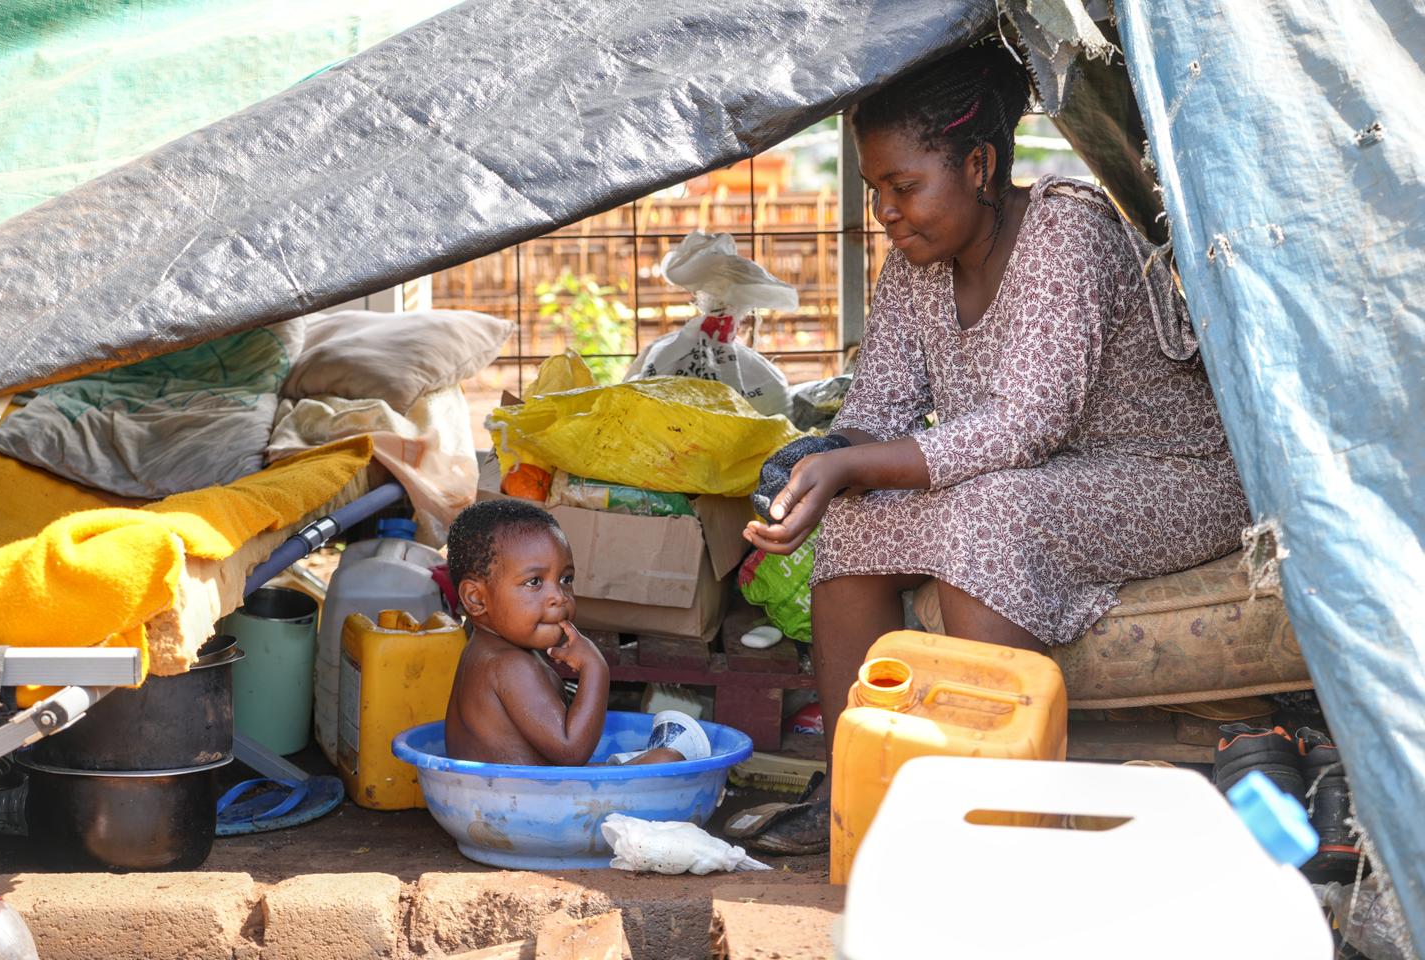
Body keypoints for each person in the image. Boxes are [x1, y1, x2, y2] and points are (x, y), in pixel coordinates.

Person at [739, 39, 1250, 852]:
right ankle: (853, 793)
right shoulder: (917, 263)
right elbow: (879, 410)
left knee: (988, 511)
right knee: (854, 520)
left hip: (1174, 473)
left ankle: (1000, 812)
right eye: (876, 191)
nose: (887, 213)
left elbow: (1024, 425)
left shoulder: (1065, 233)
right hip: (1051, 473)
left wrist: (850, 462)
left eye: (905, 187)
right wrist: (820, 461)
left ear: (978, 165)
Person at [444, 499, 708, 765]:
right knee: (665, 760)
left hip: (492, 796)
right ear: (476, 599)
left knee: (632, 761)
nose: (558, 596)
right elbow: (571, 751)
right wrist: (595, 668)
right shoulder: (510, 665)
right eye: (534, 582)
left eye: (565, 579)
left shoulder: (483, 653)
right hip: (527, 802)